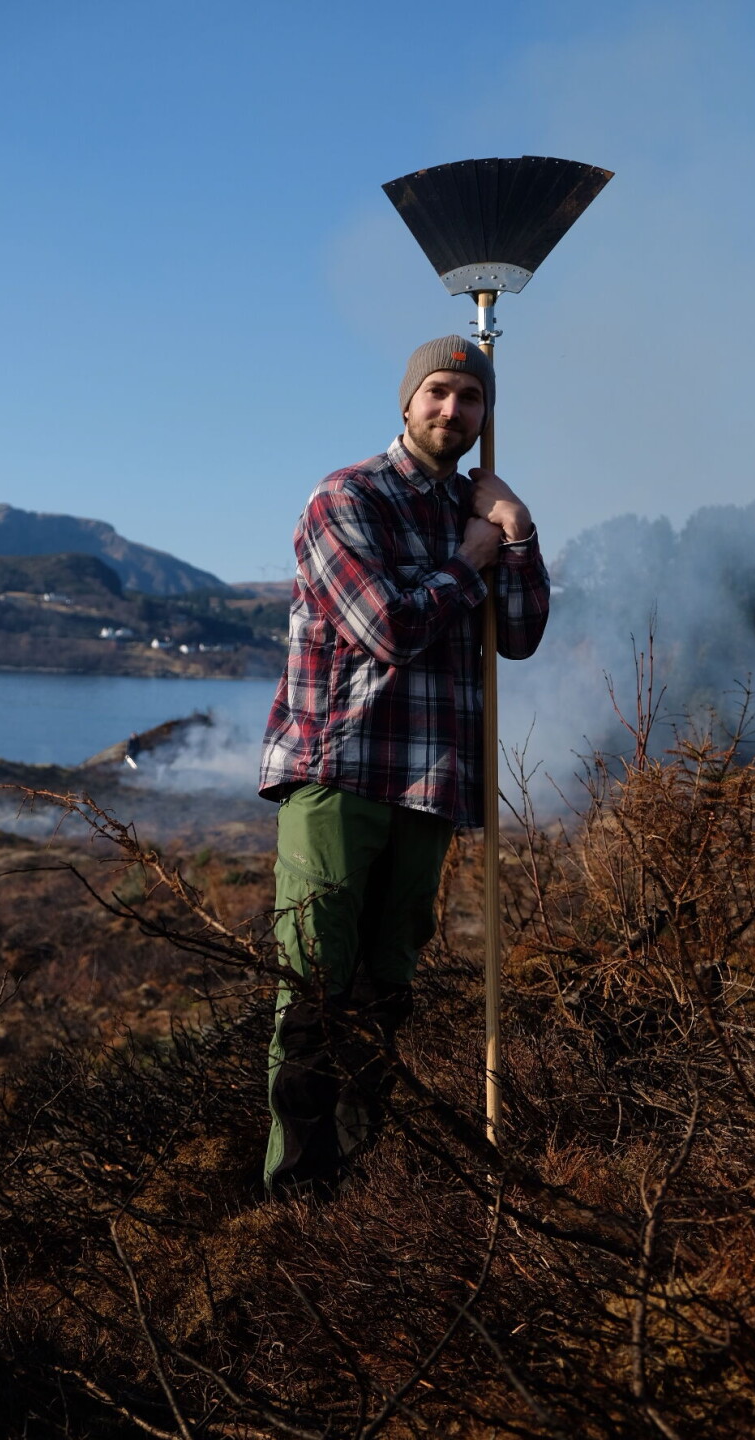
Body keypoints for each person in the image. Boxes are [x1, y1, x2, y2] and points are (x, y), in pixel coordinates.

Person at [258, 335, 551, 1197]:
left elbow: (523, 636)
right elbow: (384, 626)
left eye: (470, 397)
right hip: (339, 774)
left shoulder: (482, 511)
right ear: (406, 400)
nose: (453, 410)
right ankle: (297, 1193)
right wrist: (468, 562)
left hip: (430, 787)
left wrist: (519, 533)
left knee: (388, 988)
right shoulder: (347, 498)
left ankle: (360, 1189)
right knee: (316, 980)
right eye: (438, 392)